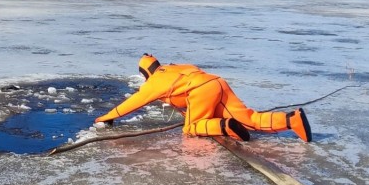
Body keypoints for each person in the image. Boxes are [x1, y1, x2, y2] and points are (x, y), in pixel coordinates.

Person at [94, 54, 312, 142]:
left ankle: (225, 126)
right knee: (249, 118)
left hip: (199, 91)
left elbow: (132, 104)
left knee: (191, 127)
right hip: (216, 82)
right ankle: (292, 120)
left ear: (144, 73)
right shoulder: (173, 67)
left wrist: (106, 117)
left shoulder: (153, 83)